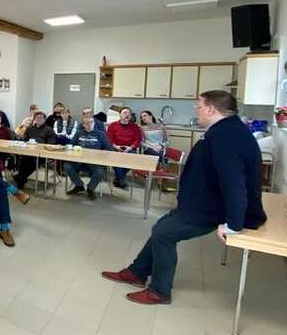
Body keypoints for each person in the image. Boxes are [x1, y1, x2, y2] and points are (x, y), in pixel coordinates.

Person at [101, 91, 267, 305]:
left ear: (211, 110)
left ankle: (160, 291)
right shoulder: (226, 129)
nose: (196, 110)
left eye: (199, 107)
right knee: (162, 226)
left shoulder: (227, 135)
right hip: (200, 203)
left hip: (211, 209)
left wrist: (234, 224)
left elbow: (234, 181)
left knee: (164, 234)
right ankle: (137, 272)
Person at [65, 117, 112, 200]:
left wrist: (98, 155)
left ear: (94, 123)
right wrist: (70, 148)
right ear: (83, 125)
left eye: (91, 122)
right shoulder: (78, 133)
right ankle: (79, 185)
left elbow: (108, 149)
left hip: (94, 161)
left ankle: (90, 188)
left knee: (100, 172)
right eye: (86, 123)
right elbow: (71, 144)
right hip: (79, 160)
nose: (89, 124)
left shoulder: (101, 134)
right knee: (67, 166)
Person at [13, 111, 56, 189]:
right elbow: (25, 140)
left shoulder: (49, 130)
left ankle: (20, 178)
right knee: (22, 161)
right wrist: (21, 138)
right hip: (28, 152)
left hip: (41, 154)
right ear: (34, 119)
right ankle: (21, 178)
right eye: (37, 118)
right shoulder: (29, 129)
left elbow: (51, 144)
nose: (38, 119)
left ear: (44, 119)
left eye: (41, 118)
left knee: (32, 162)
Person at [107, 107, 142, 189]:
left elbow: (138, 139)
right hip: (115, 148)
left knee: (133, 160)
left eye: (129, 113)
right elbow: (108, 138)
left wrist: (130, 147)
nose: (127, 115)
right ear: (120, 115)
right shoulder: (112, 125)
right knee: (115, 159)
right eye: (125, 113)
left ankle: (118, 178)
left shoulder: (135, 127)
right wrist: (115, 146)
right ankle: (121, 179)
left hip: (129, 148)